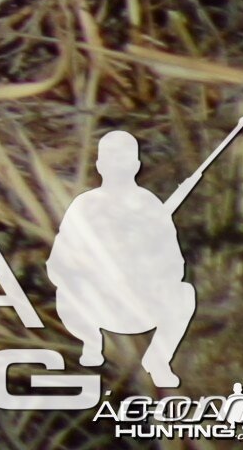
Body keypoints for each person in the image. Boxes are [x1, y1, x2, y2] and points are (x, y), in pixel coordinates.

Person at [47, 130, 200, 388]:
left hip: (141, 303)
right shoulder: (84, 205)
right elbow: (58, 264)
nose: (117, 166)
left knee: (184, 294)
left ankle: (158, 360)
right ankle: (92, 344)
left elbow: (175, 265)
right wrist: (92, 268)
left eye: (124, 159)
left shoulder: (150, 206)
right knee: (67, 292)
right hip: (96, 304)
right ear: (99, 165)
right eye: (111, 159)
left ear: (136, 165)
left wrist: (146, 263)